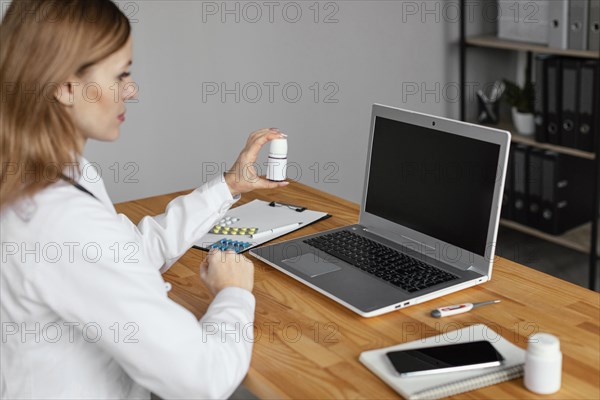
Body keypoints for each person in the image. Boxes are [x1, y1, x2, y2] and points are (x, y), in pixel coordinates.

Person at [0, 1, 288, 398]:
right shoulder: (58, 217)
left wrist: (229, 186)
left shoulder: (46, 176)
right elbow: (203, 379)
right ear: (66, 86)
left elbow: (124, 255)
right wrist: (234, 293)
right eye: (121, 75)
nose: (131, 91)